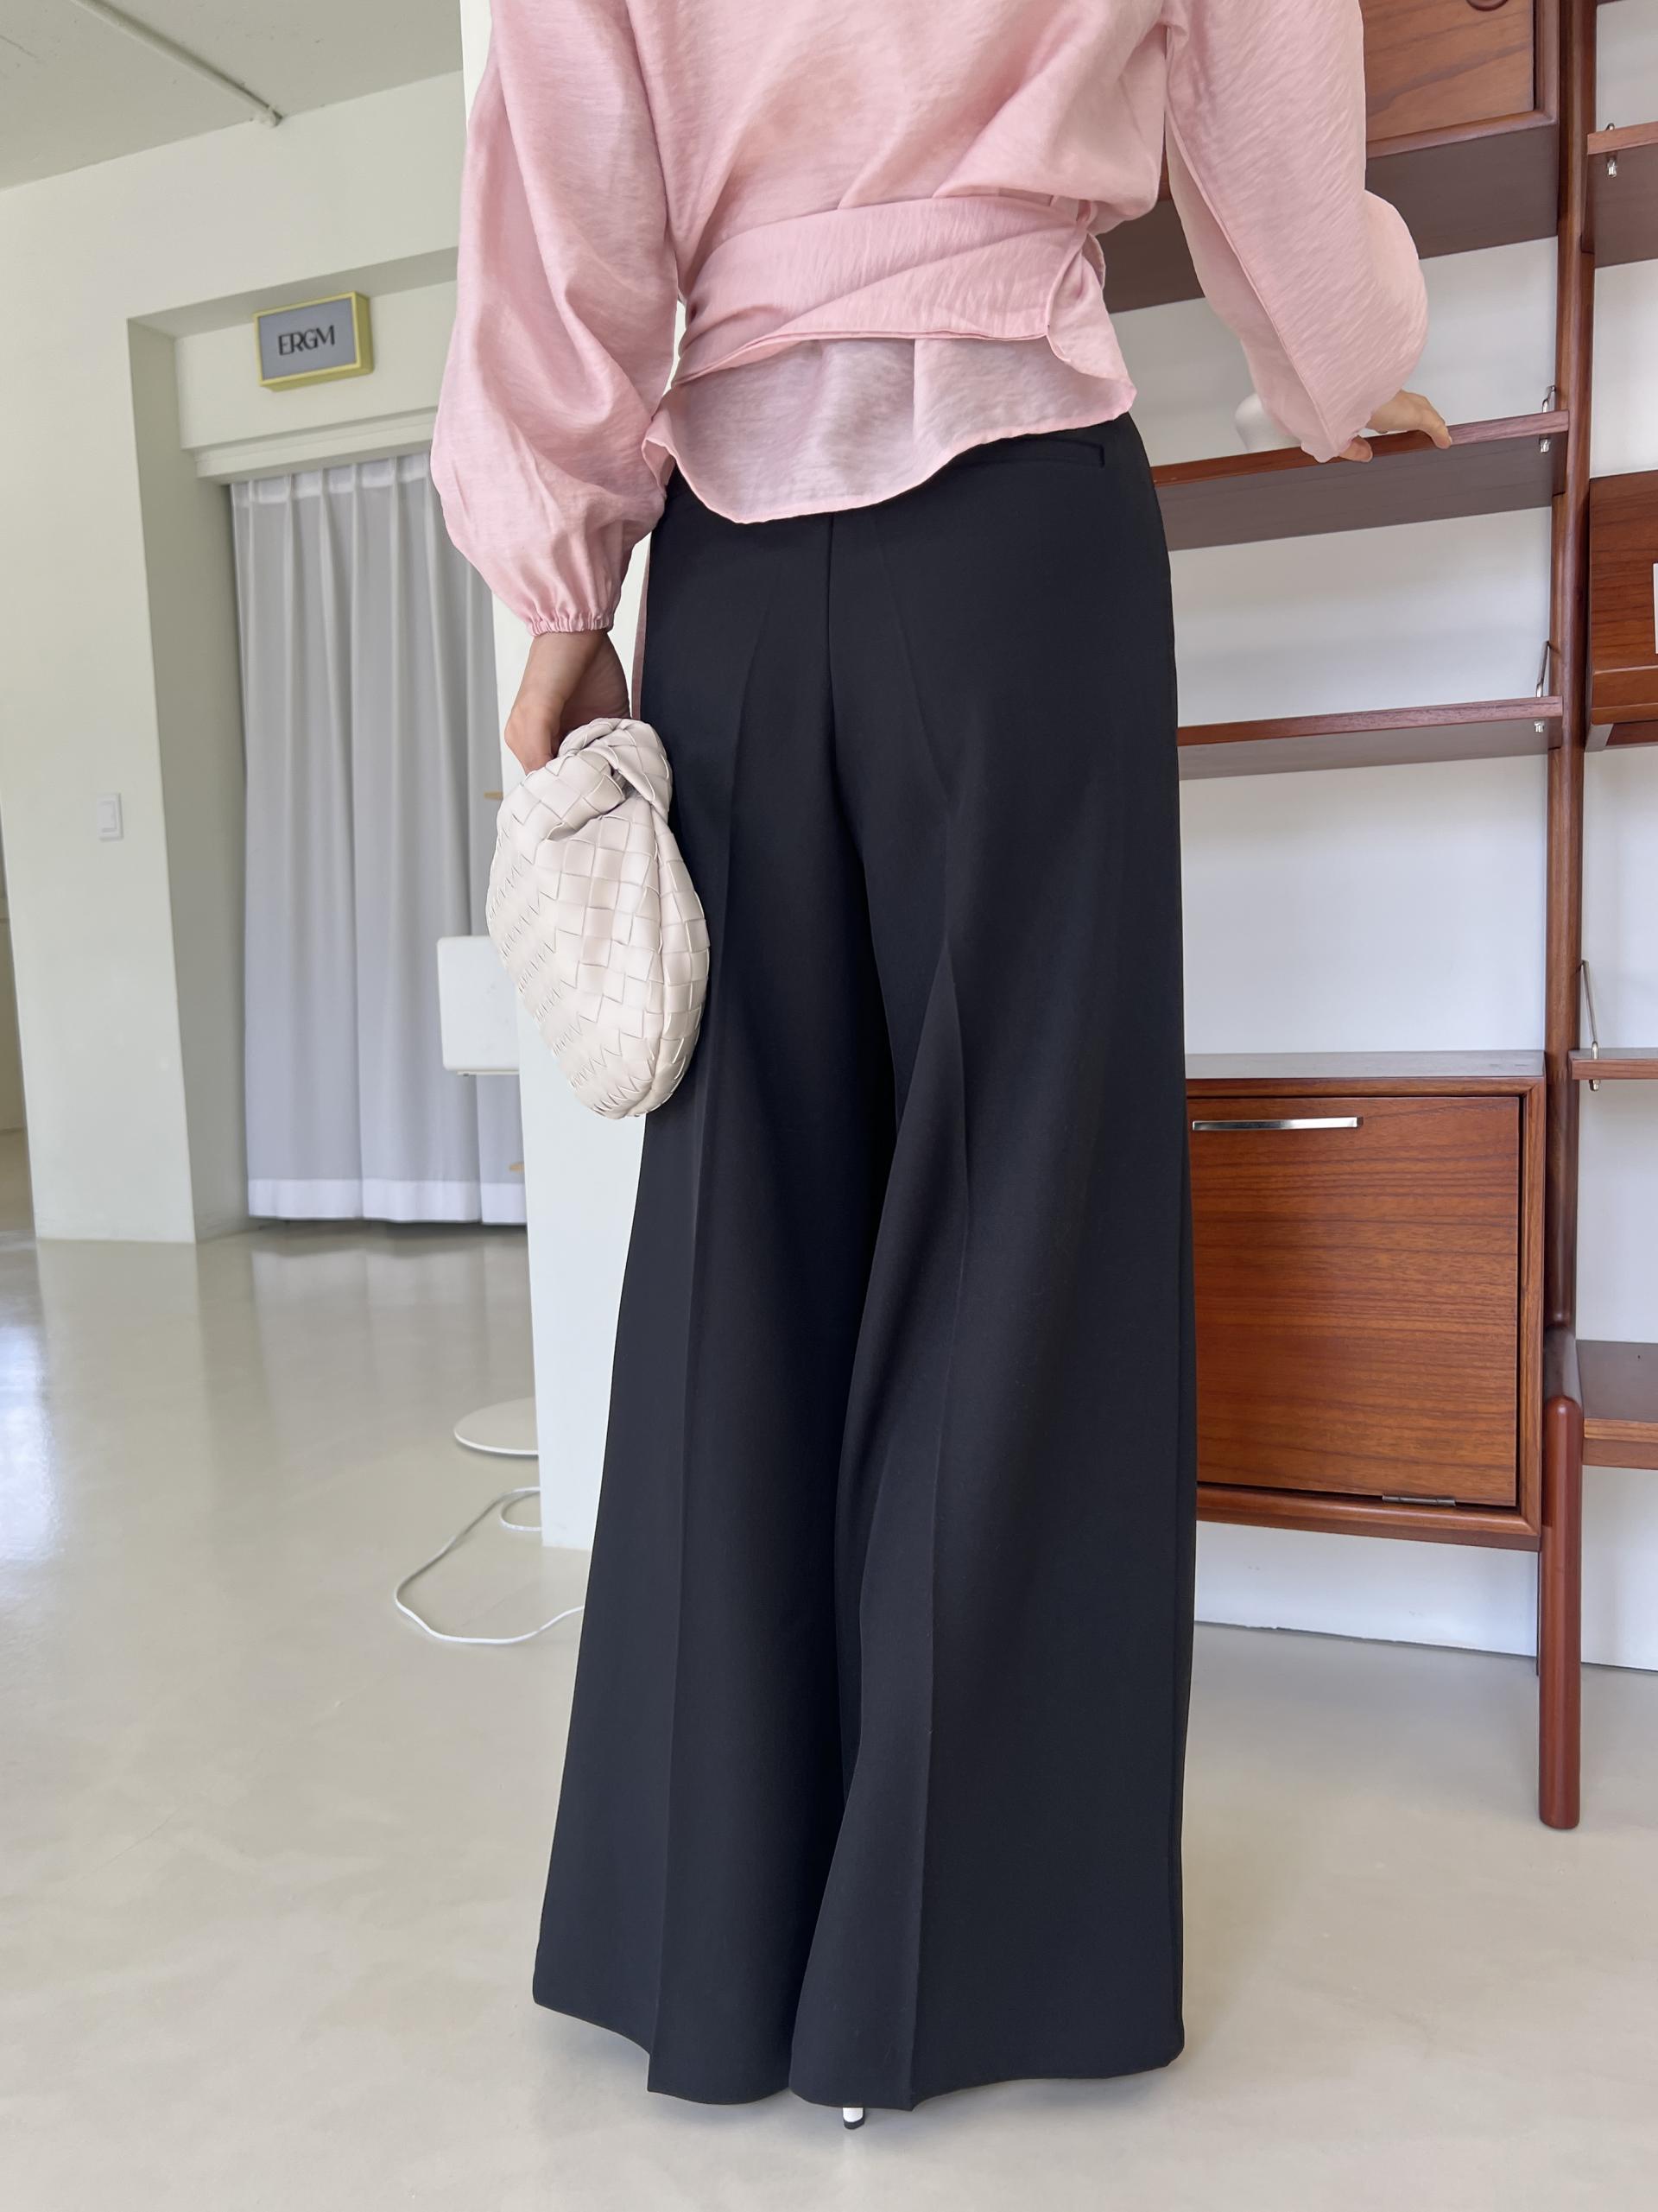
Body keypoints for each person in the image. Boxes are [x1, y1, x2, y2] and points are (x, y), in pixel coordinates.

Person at [430, 0, 1448, 2122]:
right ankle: (954, 1977)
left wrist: (563, 591)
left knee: (739, 1230)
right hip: (1021, 528)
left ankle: (710, 1958)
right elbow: (1269, 134)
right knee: (1023, 1227)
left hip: (728, 550)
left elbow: (567, 192)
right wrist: (1343, 376)